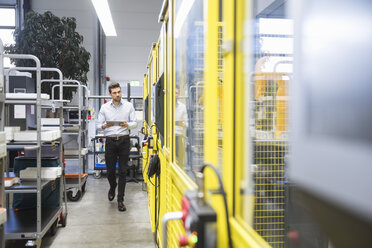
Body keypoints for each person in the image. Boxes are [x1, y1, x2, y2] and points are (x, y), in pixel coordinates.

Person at [96, 82, 137, 211]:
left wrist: (127, 125)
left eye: (119, 92)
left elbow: (135, 123)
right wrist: (104, 126)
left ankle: (120, 200)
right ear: (110, 94)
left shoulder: (129, 106)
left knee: (123, 171)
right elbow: (98, 125)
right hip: (110, 141)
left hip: (124, 140)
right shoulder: (104, 108)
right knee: (110, 171)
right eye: (115, 93)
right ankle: (112, 186)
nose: (118, 94)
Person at [175, 86, 187, 167]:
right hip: (166, 138)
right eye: (174, 93)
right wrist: (178, 122)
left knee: (180, 161)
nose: (175, 95)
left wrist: (179, 123)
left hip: (178, 137)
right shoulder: (165, 106)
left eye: (177, 93)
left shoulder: (182, 107)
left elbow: (186, 123)